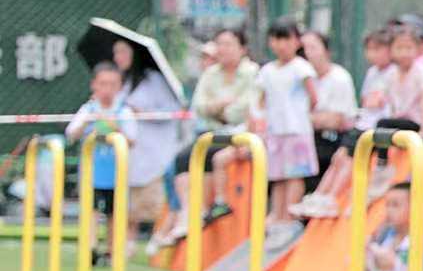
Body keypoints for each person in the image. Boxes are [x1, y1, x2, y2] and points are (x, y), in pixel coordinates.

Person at [153, 27, 256, 246]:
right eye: (220, 44)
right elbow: (200, 107)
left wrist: (217, 108)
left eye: (228, 44)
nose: (223, 49)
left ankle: (200, 210)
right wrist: (222, 105)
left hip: (240, 133)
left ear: (242, 48)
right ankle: (189, 212)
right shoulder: (211, 74)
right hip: (210, 133)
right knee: (181, 160)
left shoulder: (252, 72)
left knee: (208, 154)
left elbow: (241, 110)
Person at [296, 27, 396, 219]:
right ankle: (320, 196)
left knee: (348, 159)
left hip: (372, 128)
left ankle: (332, 197)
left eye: (378, 49)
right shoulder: (372, 73)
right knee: (339, 157)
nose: (373, 54)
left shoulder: (391, 73)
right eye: (370, 49)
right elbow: (367, 100)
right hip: (363, 124)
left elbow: (383, 102)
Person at [66, 61, 139, 266]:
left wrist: (115, 127)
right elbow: (71, 134)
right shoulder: (88, 109)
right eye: (103, 84)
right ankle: (90, 248)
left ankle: (110, 251)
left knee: (114, 213)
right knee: (90, 211)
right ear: (94, 85)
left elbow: (132, 140)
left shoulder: (124, 111)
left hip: (116, 172)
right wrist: (87, 121)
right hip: (92, 171)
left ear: (119, 87)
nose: (107, 89)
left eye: (112, 84)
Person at [111, 38, 182, 237]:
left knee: (155, 208)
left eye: (123, 52)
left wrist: (141, 112)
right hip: (130, 157)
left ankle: (159, 240)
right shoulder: (122, 83)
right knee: (128, 212)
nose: (118, 57)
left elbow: (172, 111)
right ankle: (127, 244)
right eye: (116, 53)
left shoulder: (154, 80)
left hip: (156, 156)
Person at [252, 18, 319, 226]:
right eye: (277, 39)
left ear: (297, 41)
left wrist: (300, 115)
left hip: (297, 130)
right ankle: (277, 216)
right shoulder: (267, 71)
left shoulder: (301, 68)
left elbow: (313, 98)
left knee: (295, 174)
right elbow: (261, 100)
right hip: (275, 131)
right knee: (278, 175)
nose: (282, 45)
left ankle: (290, 216)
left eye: (286, 39)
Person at [289, 30, 357, 217]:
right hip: (307, 137)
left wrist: (304, 119)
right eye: (303, 48)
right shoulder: (301, 79)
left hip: (336, 139)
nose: (307, 52)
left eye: (312, 47)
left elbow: (335, 120)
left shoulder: (339, 78)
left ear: (326, 51)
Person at [384, 23, 423, 142]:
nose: (404, 53)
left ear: (417, 49)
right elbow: (391, 104)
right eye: (399, 48)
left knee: (384, 125)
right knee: (382, 127)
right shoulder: (391, 74)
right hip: (397, 121)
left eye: (409, 48)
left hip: (416, 123)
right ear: (391, 50)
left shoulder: (421, 72)